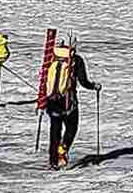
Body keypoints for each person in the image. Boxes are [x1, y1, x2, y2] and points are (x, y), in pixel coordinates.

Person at [41, 37, 99, 169]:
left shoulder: (51, 57)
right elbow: (83, 81)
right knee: (72, 127)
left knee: (54, 130)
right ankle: (63, 148)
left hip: (51, 100)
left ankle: (53, 162)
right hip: (68, 101)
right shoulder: (75, 60)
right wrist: (94, 86)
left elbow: (43, 78)